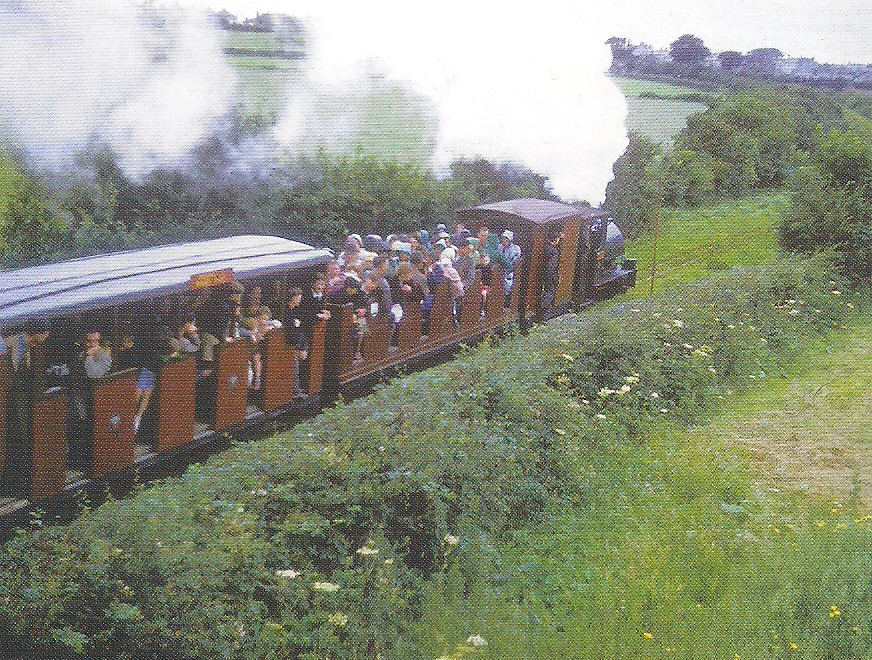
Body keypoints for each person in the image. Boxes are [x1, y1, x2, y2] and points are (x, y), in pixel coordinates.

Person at [499, 230, 522, 304]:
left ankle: (507, 302)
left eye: (505, 239)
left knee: (508, 285)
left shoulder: (515, 248)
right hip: (499, 270)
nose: (503, 241)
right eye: (502, 239)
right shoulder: (500, 246)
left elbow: (513, 262)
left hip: (509, 272)